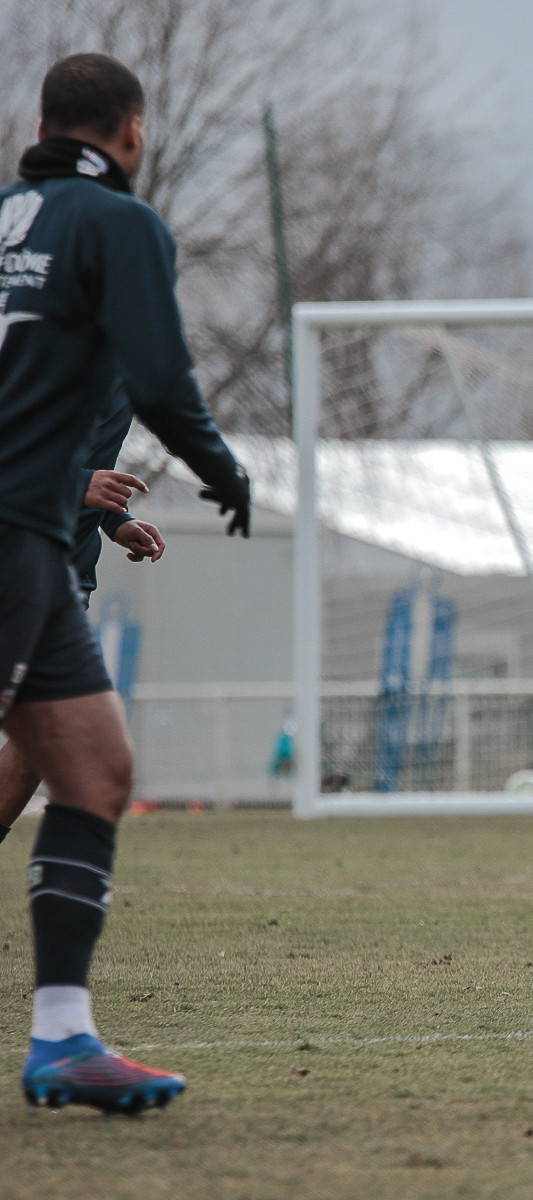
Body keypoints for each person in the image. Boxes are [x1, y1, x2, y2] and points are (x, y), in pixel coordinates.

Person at [0, 53, 250, 1114]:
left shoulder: (12, 218)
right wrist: (220, 466)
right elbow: (159, 374)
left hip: (42, 541)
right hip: (10, 536)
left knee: (95, 767)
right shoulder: (120, 225)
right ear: (133, 134)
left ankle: (62, 1038)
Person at [0, 387, 165, 837]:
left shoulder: (119, 365)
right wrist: (77, 484)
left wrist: (114, 519)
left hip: (62, 577)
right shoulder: (27, 341)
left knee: (50, 735)